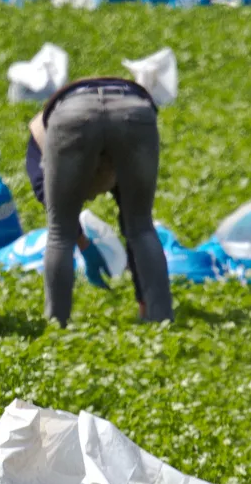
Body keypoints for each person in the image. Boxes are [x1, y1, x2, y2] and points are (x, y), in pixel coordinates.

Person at [26, 77, 173, 327]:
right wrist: (84, 243)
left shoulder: (48, 137)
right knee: (141, 226)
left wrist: (78, 239)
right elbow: (133, 229)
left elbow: (47, 196)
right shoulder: (40, 137)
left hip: (72, 117)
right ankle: (160, 318)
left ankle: (56, 323)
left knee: (59, 231)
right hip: (133, 111)